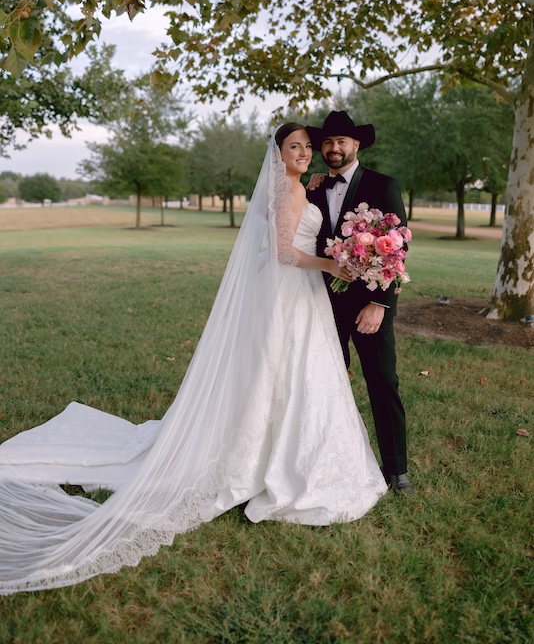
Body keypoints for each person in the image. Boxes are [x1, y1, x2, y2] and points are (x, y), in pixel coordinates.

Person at [0, 123, 387, 595]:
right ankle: (268, 459)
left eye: (308, 146)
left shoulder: (298, 186)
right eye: (295, 147)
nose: (305, 152)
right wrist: (331, 264)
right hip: (289, 290)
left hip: (297, 295)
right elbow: (285, 252)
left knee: (295, 372)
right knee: (286, 371)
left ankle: (280, 450)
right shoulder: (287, 189)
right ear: (279, 152)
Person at [305, 111, 414, 495]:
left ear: (356, 145)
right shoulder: (311, 188)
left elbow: (398, 247)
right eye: (328, 142)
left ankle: (397, 471)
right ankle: (323, 464)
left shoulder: (383, 185)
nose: (334, 148)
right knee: (322, 384)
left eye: (341, 142)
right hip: (319, 303)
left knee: (383, 382)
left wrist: (379, 304)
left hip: (368, 305)